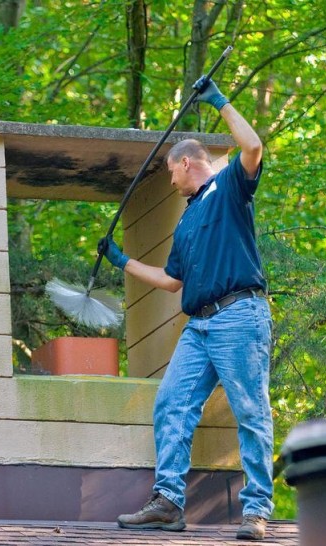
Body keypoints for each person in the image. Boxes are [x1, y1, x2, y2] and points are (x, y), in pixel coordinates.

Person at [99, 77, 274, 541]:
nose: (170, 179)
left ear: (187, 162)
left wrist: (219, 101)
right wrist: (122, 260)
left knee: (251, 411)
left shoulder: (230, 187)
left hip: (240, 315)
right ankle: (169, 502)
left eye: (171, 171)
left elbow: (253, 145)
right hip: (199, 325)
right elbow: (171, 281)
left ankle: (256, 511)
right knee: (171, 403)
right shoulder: (188, 219)